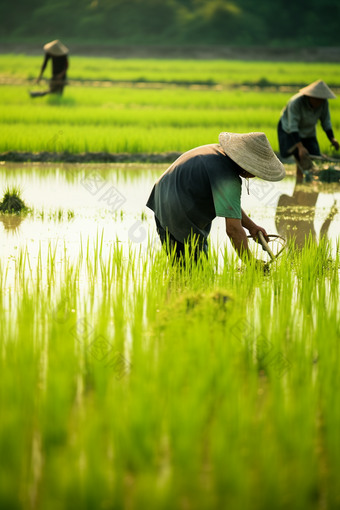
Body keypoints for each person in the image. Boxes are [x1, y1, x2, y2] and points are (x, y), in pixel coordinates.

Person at [146, 132, 285, 265]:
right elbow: (233, 230)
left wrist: (252, 227)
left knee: (186, 269)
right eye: (256, 170)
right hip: (179, 214)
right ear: (246, 165)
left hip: (161, 201)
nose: (255, 175)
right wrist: (251, 262)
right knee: (194, 272)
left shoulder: (217, 153)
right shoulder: (227, 177)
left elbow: (230, 207)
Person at [278, 79, 339, 177]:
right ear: (310, 96)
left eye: (322, 99)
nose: (320, 102)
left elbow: (326, 122)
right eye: (317, 99)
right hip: (289, 132)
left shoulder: (323, 103)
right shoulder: (296, 103)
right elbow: (293, 126)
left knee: (315, 158)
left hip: (308, 132)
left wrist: (332, 139)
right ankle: (300, 181)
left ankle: (301, 183)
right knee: (302, 158)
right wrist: (300, 147)